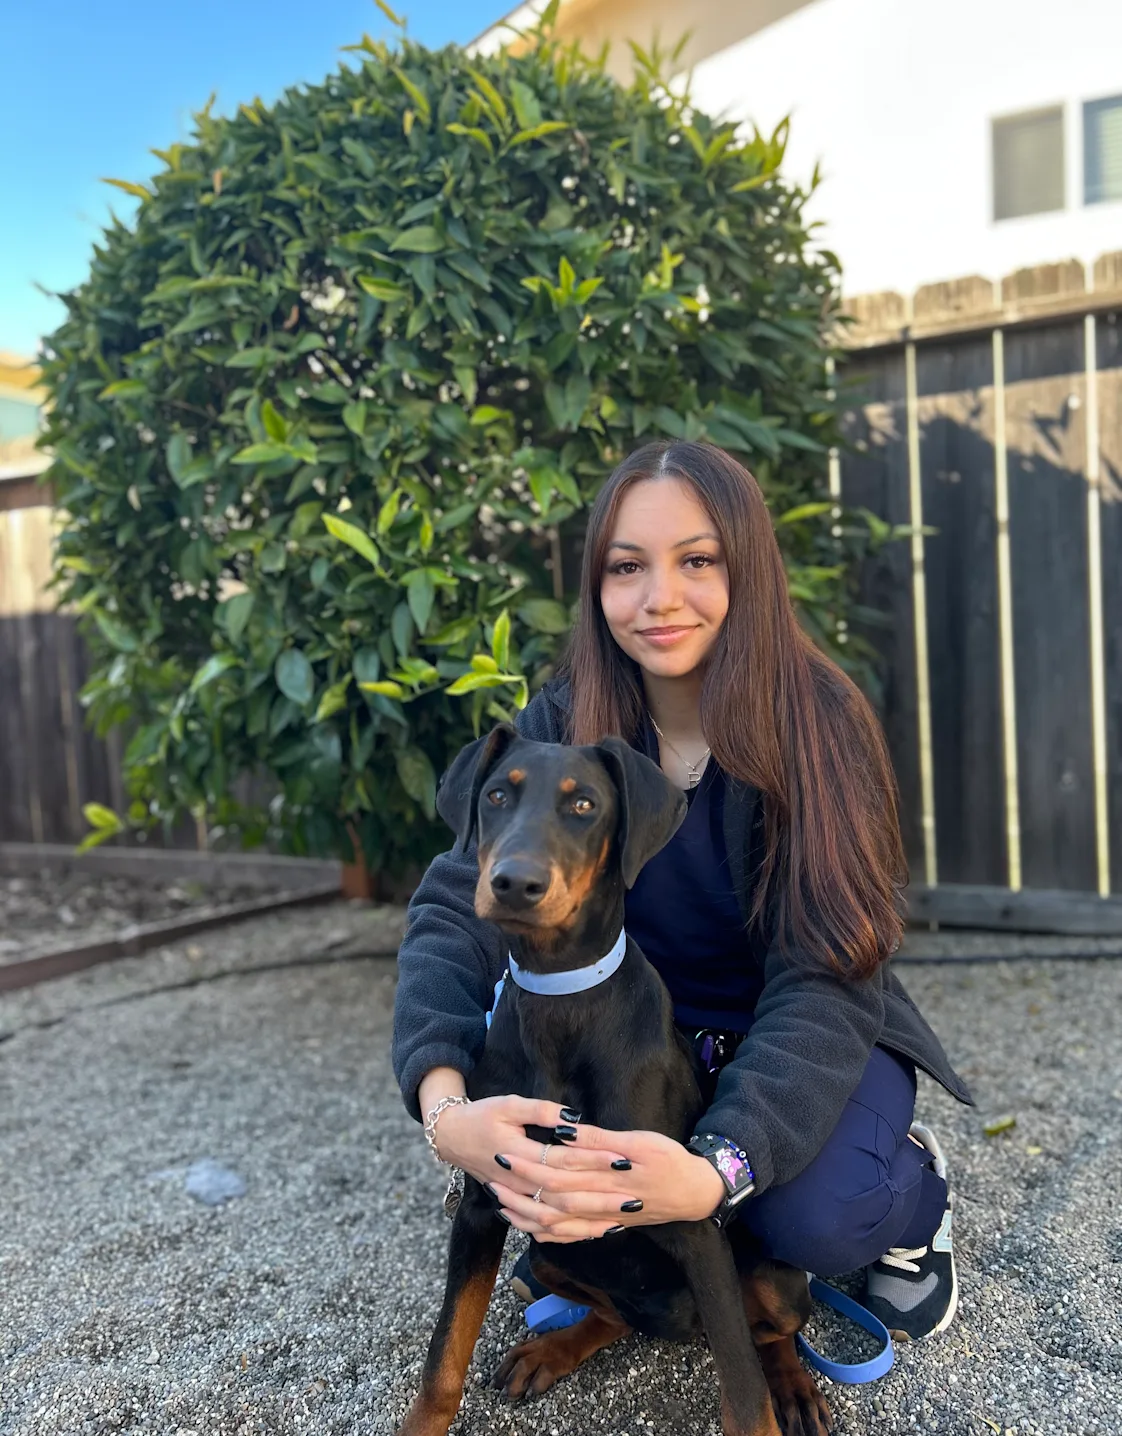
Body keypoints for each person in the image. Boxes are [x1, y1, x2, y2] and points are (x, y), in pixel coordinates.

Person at [392, 440, 972, 1343]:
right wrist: (447, 1112)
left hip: (800, 1028)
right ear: (598, 587)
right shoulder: (564, 720)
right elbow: (449, 911)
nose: (659, 597)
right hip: (641, 1037)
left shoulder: (818, 726)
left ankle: (912, 1198)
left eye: (697, 560)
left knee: (806, 1218)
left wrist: (711, 1173)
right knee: (575, 1186)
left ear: (746, 567)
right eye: (627, 567)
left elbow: (827, 977)